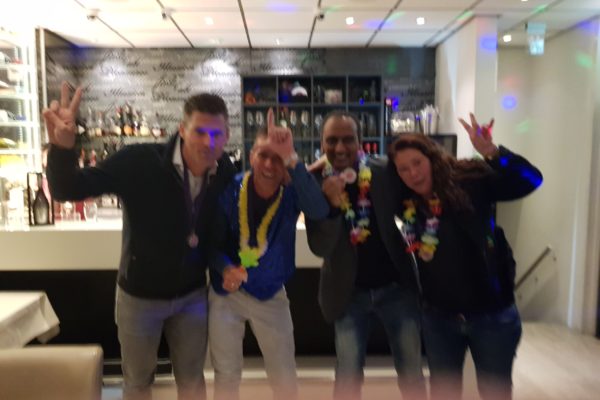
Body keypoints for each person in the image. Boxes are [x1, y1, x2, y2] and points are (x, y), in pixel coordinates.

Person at [43, 81, 236, 400]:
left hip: (191, 296)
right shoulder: (139, 161)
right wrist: (62, 149)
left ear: (227, 136)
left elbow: (224, 229)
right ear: (182, 130)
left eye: (217, 134)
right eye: (200, 132)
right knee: (137, 381)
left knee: (192, 380)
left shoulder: (225, 171)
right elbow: (68, 189)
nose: (209, 142)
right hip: (139, 298)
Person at [390, 114, 543, 400]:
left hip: (491, 316)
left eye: (417, 163)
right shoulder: (407, 202)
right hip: (439, 320)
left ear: (431, 157)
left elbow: (532, 180)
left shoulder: (470, 179)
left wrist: (492, 152)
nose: (413, 173)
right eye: (403, 169)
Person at [305, 111, 426, 400]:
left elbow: (413, 207)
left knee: (411, 372)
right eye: (332, 140)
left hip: (397, 289)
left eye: (348, 139)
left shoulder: (384, 172)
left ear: (360, 142)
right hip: (348, 295)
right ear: (322, 143)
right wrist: (331, 206)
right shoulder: (314, 183)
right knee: (347, 376)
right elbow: (320, 246)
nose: (340, 147)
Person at [208, 110, 329, 400]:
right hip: (227, 294)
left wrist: (293, 159)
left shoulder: (291, 193)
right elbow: (211, 243)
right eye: (263, 155)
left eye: (277, 158)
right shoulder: (230, 189)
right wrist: (225, 268)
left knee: (284, 375)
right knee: (226, 374)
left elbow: (319, 210)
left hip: (271, 292)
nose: (269, 164)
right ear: (252, 156)